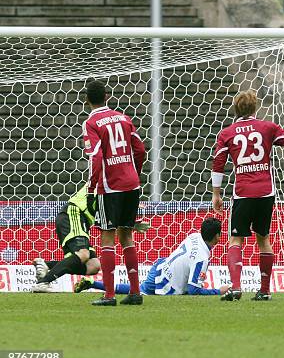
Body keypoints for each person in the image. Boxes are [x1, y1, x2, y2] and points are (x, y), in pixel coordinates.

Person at [211, 90, 284, 301]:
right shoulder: (267, 127)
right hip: (266, 192)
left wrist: (216, 194)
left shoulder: (227, 133)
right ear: (255, 107)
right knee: (263, 239)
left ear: (235, 108)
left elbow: (218, 164)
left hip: (243, 192)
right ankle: (265, 290)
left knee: (236, 239)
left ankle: (236, 287)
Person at [82, 80, 146, 306]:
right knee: (127, 236)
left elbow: (96, 157)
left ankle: (109, 295)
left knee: (107, 236)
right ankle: (135, 292)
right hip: (132, 184)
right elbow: (140, 149)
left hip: (110, 187)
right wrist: (133, 172)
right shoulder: (124, 118)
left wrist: (91, 188)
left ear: (87, 99)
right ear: (107, 96)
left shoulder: (91, 122)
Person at [75, 218, 230, 296]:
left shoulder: (194, 236)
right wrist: (218, 291)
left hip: (160, 268)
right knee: (139, 292)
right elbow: (193, 290)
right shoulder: (202, 257)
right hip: (166, 284)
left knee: (138, 290)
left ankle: (92, 283)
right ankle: (94, 284)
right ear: (217, 236)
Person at [31, 185, 101, 292]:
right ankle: (43, 283)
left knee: (93, 265)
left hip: (82, 221)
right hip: (74, 213)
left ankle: (46, 265)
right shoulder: (109, 179)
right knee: (83, 253)